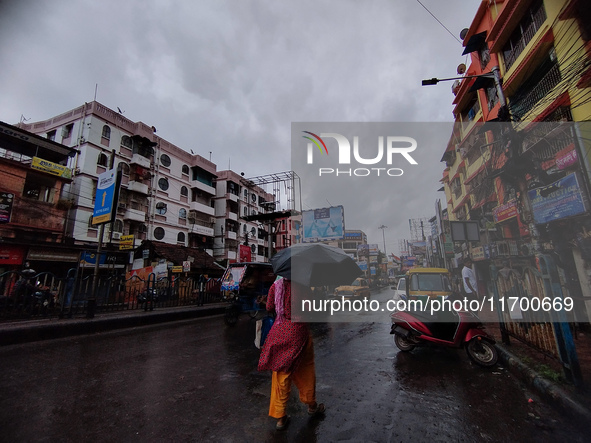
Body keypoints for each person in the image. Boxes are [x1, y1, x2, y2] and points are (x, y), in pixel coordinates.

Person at [258, 277, 325, 431]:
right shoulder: (303, 286)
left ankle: (281, 418)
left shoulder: (276, 286)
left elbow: (269, 307)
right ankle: (312, 405)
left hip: (279, 332)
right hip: (299, 334)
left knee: (281, 374)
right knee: (305, 370)